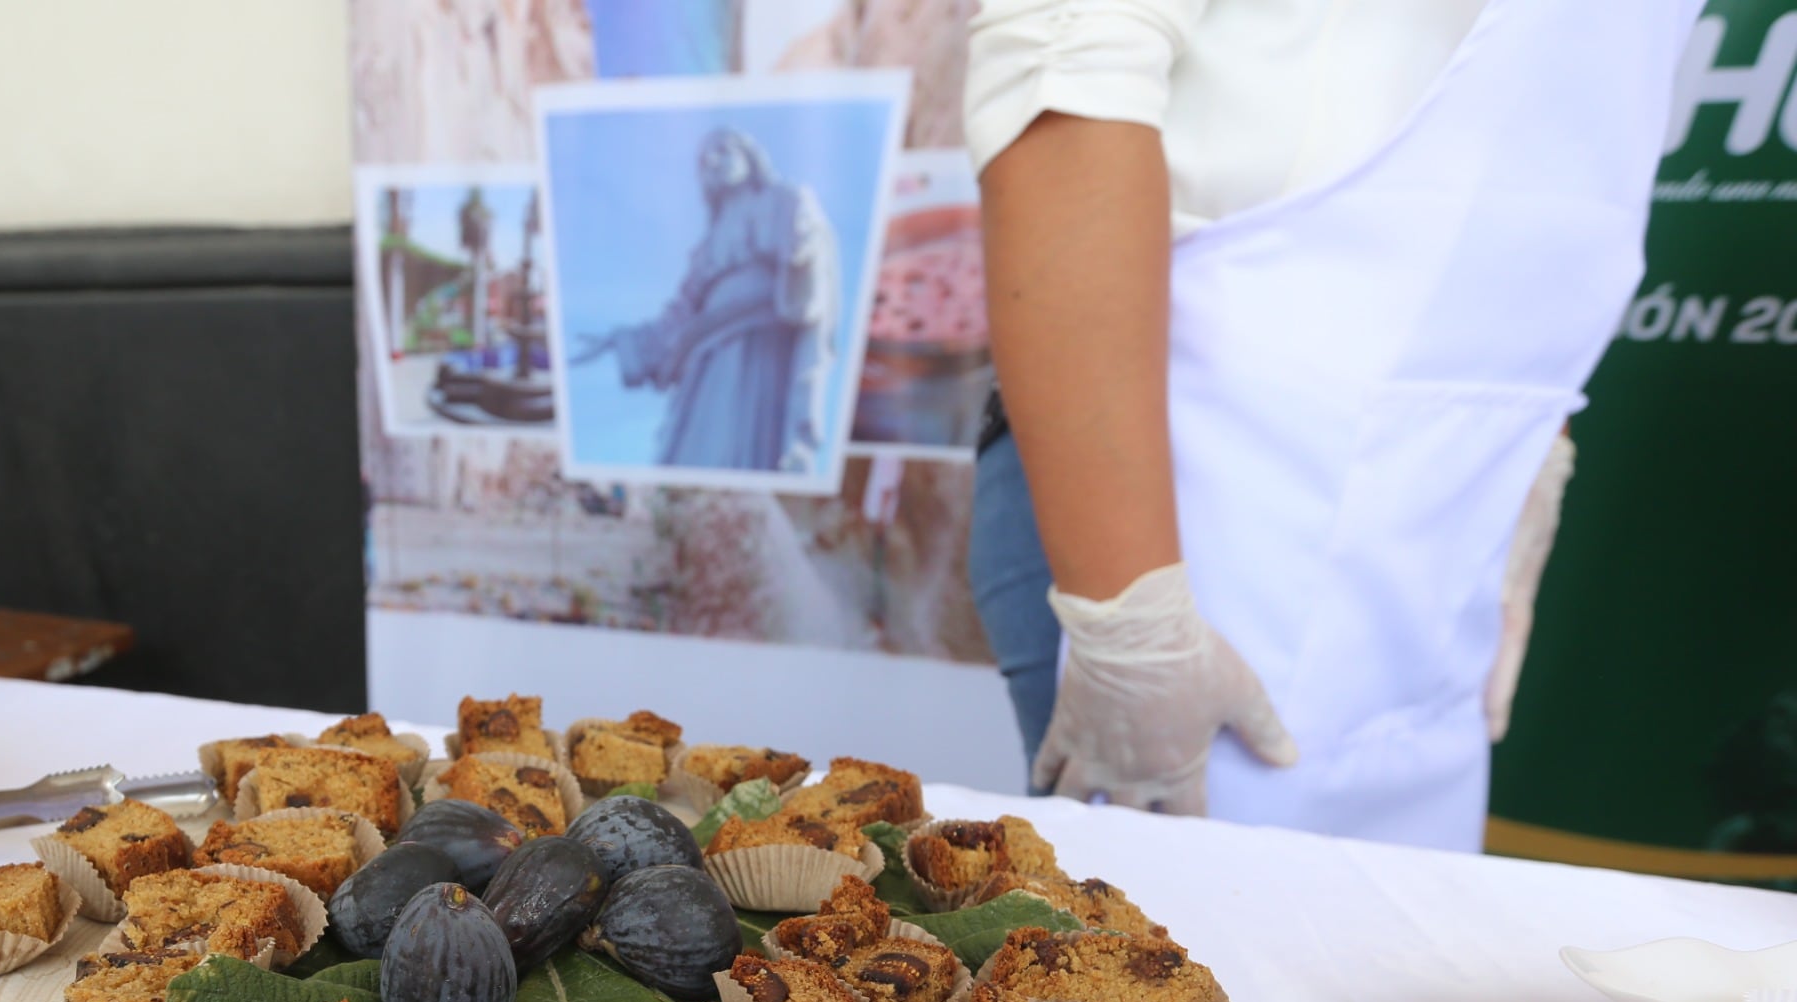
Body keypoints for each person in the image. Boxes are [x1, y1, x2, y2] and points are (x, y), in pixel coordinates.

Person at [963, 0, 1699, 848]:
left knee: (1389, 949)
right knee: (1177, 948)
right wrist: (1133, 623)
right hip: (1183, 487)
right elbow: (1064, 62)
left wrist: (1528, 441)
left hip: (1448, 503)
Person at [571, 128, 837, 475]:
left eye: (723, 150)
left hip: (755, 348)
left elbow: (808, 269)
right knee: (694, 451)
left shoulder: (784, 201)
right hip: (704, 363)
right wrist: (623, 339)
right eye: (702, 159)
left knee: (740, 448)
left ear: (749, 157)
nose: (710, 161)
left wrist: (803, 249)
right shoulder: (705, 247)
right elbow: (678, 318)